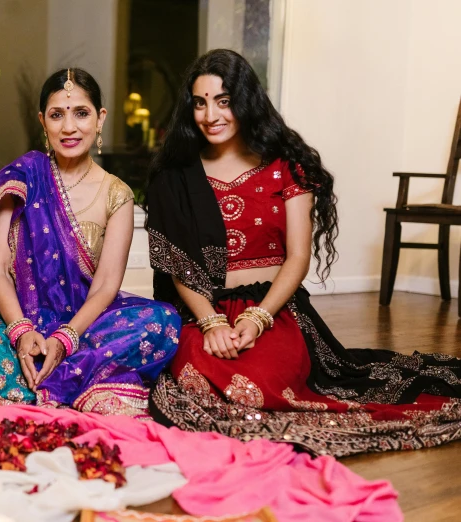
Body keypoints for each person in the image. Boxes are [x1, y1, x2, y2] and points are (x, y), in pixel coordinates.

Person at [146, 49, 461, 456]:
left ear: (245, 101)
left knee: (261, 383)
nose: (211, 115)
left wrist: (259, 318)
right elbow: (179, 266)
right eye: (201, 103)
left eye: (223, 101)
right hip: (204, 307)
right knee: (195, 376)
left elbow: (297, 258)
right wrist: (209, 322)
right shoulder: (177, 175)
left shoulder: (287, 166)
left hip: (272, 307)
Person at [0, 68, 180, 418]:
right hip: (21, 321)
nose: (69, 127)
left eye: (81, 113)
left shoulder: (116, 193)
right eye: (57, 115)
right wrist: (20, 332)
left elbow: (106, 285)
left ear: (100, 118)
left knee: (164, 320)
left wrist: (66, 337)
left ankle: (46, 379)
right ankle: (82, 383)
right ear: (43, 121)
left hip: (88, 327)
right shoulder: (23, 176)